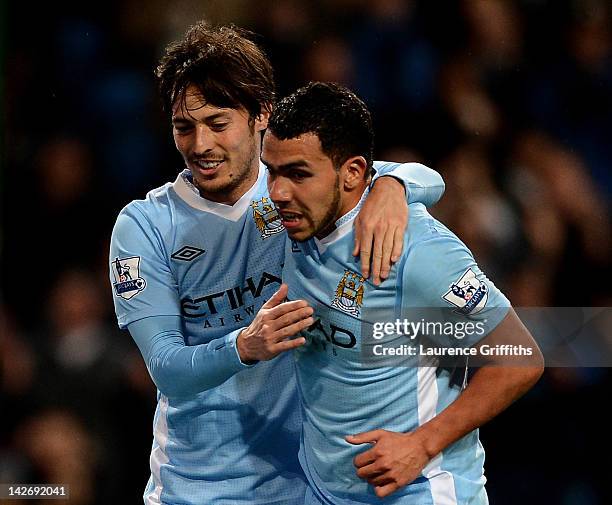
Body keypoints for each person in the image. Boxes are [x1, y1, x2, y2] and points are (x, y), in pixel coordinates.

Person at [109, 23, 446, 505]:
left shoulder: (296, 190)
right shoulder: (145, 225)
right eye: (185, 127)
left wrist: (395, 187)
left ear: (262, 114)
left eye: (218, 123)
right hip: (197, 488)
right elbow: (166, 368)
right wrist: (245, 344)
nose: (200, 144)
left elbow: (420, 175)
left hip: (308, 484)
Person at [263, 82, 544, 504]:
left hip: (421, 491)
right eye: (273, 171)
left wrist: (423, 444)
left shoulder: (417, 251)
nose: (277, 193)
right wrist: (398, 180)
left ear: (354, 173)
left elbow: (520, 360)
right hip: (323, 491)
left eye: (298, 174)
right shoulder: (290, 225)